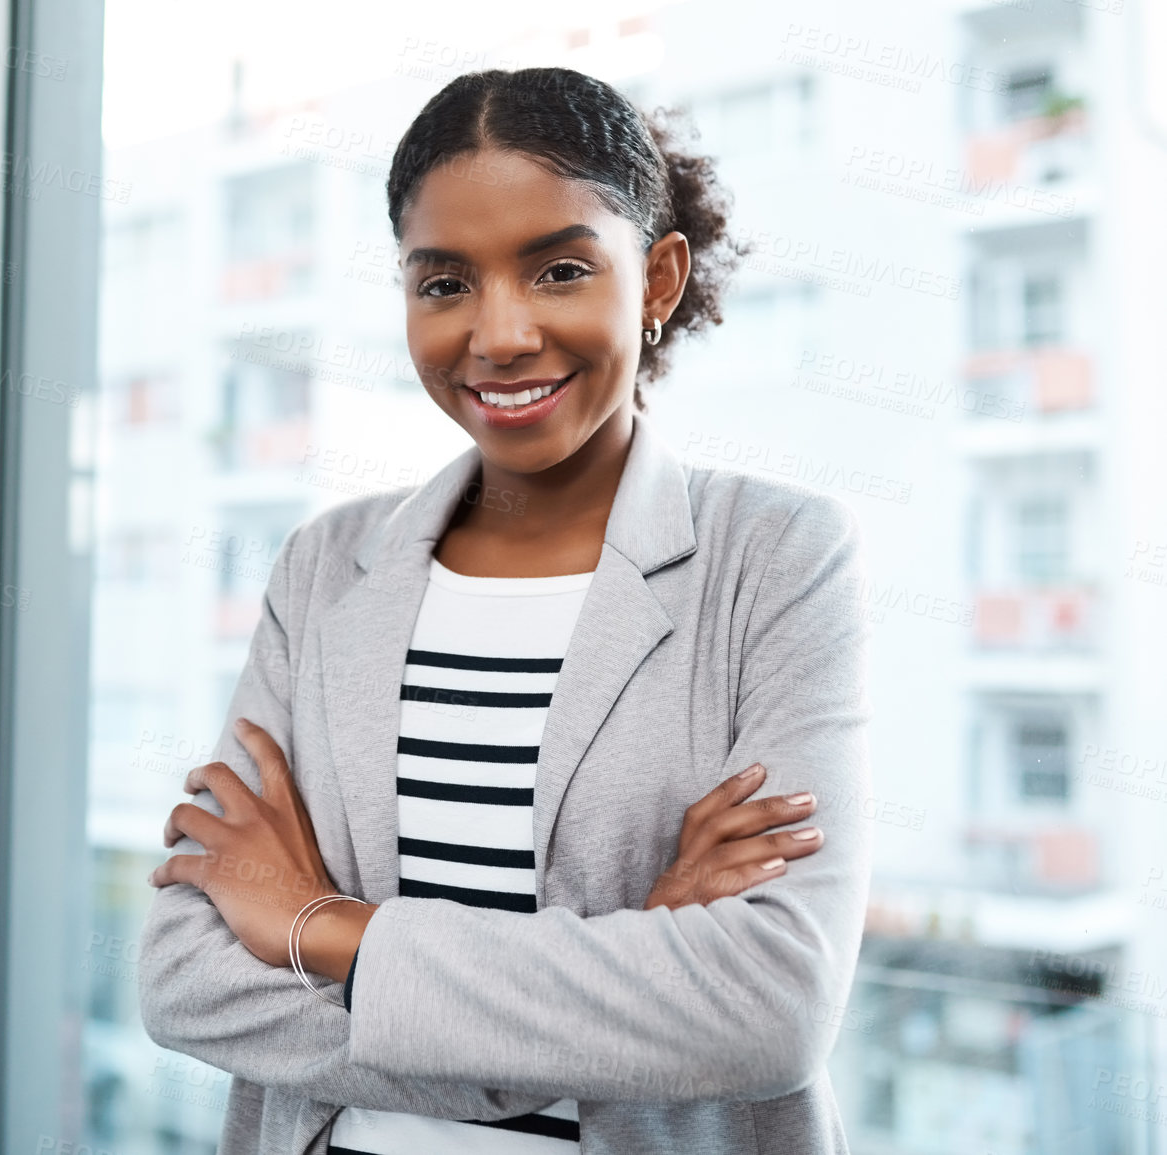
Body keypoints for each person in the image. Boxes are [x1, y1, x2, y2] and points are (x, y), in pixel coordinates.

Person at [139, 66, 872, 1155]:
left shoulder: (774, 558)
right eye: (444, 284)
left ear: (658, 278)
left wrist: (319, 927)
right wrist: (638, 963)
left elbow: (769, 1009)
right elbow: (184, 976)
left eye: (561, 270)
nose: (501, 335)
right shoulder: (325, 568)